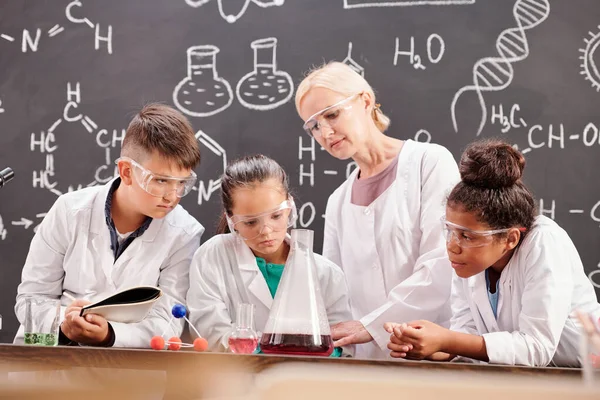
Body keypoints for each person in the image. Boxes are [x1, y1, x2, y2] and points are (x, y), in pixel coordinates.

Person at [295, 61, 460, 358]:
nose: (326, 132)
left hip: (433, 353)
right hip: (364, 363)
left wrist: (373, 325)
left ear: (365, 100)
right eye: (314, 126)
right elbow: (335, 292)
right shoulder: (337, 201)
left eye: (332, 114)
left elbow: (442, 262)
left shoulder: (429, 163)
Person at [386, 139, 600, 367]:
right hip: (530, 380)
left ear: (510, 238)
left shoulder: (544, 242)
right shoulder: (468, 263)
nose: (452, 246)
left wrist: (447, 340)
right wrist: (428, 346)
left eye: (467, 236)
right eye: (450, 231)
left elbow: (536, 348)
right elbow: (467, 335)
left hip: (587, 377)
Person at [14, 103, 204, 348]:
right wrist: (66, 322)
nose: (172, 196)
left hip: (125, 374)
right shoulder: (68, 211)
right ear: (126, 172)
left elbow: (168, 321)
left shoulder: (184, 233)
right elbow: (32, 298)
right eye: (160, 181)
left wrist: (109, 334)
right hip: (52, 362)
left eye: (182, 183)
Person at [186, 154, 352, 354]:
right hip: (236, 380)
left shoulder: (327, 274)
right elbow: (211, 334)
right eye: (250, 222)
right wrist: (290, 351)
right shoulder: (213, 256)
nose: (266, 230)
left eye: (275, 216)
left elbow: (343, 346)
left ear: (289, 207)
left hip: (309, 381)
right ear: (231, 220)